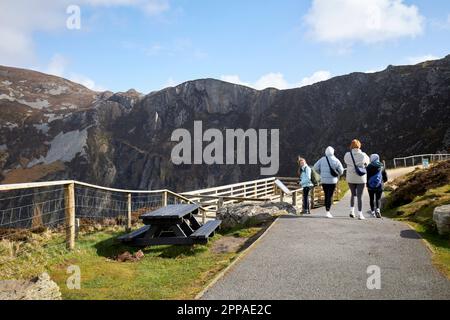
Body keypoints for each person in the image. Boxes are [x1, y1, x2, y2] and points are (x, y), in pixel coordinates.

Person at [313, 146, 344, 218]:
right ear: (333, 152)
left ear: (326, 152)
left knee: (326, 195)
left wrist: (321, 173)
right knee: (330, 195)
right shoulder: (336, 160)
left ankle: (327, 211)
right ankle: (328, 212)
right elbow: (341, 171)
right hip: (333, 181)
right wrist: (337, 174)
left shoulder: (322, 159)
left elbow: (315, 167)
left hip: (324, 180)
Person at [344, 139, 370, 220]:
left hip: (351, 177)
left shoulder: (347, 155)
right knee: (360, 196)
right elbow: (367, 164)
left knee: (352, 194)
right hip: (360, 178)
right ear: (359, 145)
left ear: (351, 146)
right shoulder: (363, 155)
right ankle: (360, 214)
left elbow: (346, 162)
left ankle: (352, 211)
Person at [366, 154, 388, 218]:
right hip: (379, 186)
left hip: (370, 186)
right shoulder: (381, 166)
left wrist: (367, 183)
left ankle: (373, 212)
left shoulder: (368, 167)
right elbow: (386, 178)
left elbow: (366, 177)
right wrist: (382, 182)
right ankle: (378, 210)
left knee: (371, 199)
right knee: (378, 199)